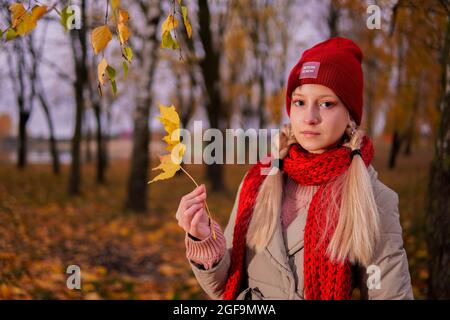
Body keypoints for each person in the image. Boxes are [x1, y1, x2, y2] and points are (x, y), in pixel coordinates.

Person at [175, 37, 414, 300]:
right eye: (300, 102)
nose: (309, 117)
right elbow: (224, 289)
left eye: (327, 103)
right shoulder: (258, 180)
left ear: (350, 115)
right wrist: (204, 241)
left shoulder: (372, 197)